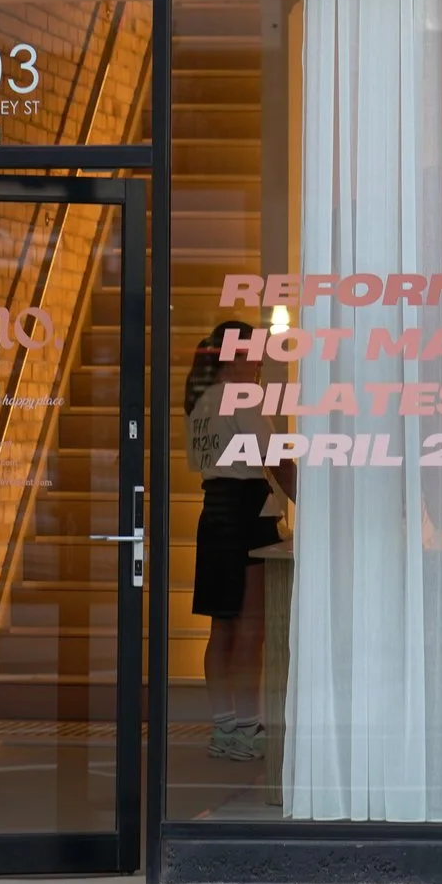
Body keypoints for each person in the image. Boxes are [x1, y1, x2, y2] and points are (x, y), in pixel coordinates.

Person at [185, 320, 296, 762]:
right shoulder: (240, 397)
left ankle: (226, 727)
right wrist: (312, 504)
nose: (259, 363)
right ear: (231, 356)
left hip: (214, 511)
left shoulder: (199, 400)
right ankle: (249, 730)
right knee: (252, 629)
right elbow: (276, 460)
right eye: (252, 354)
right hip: (247, 510)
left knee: (223, 628)